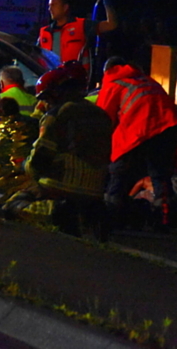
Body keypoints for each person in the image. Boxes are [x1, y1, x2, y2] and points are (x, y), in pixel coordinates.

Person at [24, 61, 113, 240]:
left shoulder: (57, 115)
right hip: (96, 190)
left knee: (14, 203)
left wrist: (25, 167)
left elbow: (40, 159)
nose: (44, 104)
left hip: (61, 186)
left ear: (57, 93)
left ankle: (54, 211)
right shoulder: (102, 115)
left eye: (46, 99)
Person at [96, 57, 177, 228]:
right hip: (168, 129)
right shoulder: (148, 81)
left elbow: (103, 119)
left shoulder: (114, 83)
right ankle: (165, 220)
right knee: (160, 176)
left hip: (138, 131)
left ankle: (111, 219)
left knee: (118, 174)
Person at [37, 0, 117, 72]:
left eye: (54, 5)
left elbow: (111, 25)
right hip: (50, 78)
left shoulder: (82, 25)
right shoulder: (45, 32)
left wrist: (106, 1)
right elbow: (34, 57)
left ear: (65, 7)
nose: (50, 9)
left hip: (78, 78)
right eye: (49, 5)